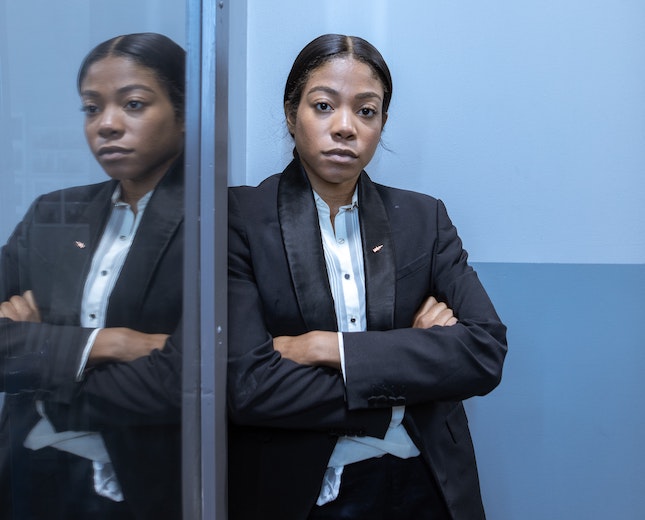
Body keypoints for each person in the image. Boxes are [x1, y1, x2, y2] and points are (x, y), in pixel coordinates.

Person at [227, 33, 508, 519]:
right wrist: (406, 373)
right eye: (323, 105)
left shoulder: (423, 218)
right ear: (292, 114)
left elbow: (484, 351)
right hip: (303, 493)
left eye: (366, 110)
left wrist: (327, 349)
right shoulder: (239, 217)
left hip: (428, 484)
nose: (345, 127)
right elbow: (248, 386)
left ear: (381, 123)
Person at [0, 33, 185, 519]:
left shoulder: (218, 223)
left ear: (184, 115)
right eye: (90, 108)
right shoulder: (52, 214)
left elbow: (188, 380)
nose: (107, 125)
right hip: (32, 477)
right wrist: (110, 344)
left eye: (134, 104)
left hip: (151, 486)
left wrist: (39, 355)